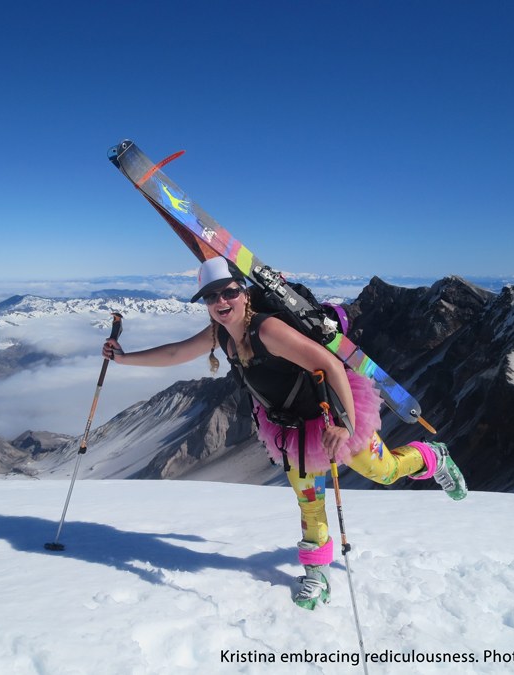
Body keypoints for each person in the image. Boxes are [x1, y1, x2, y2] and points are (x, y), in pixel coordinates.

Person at [102, 257, 467, 610]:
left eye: (229, 292)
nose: (221, 301)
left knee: (384, 471)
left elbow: (330, 366)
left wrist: (346, 425)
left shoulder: (267, 330)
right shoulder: (221, 333)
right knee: (310, 501)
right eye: (211, 296)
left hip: (332, 414)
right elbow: (175, 353)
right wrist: (123, 358)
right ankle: (317, 573)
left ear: (244, 292)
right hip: (292, 428)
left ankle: (432, 456)